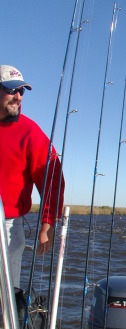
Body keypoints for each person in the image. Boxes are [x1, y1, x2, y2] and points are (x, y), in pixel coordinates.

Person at [0, 65, 65, 288]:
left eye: (21, 91)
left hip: (8, 227)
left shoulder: (30, 131)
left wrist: (47, 224)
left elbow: (52, 176)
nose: (17, 97)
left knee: (6, 295)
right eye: (11, 90)